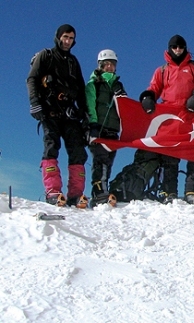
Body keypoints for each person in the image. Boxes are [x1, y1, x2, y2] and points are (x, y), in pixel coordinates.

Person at [137, 35, 194, 204]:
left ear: (185, 48)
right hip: (171, 117)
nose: (178, 50)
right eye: (175, 47)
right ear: (169, 49)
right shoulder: (162, 70)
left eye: (181, 47)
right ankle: (168, 190)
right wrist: (148, 97)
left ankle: (191, 191)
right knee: (170, 154)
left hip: (192, 114)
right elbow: (154, 88)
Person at [26, 24, 89, 208]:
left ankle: (76, 194)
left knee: (78, 150)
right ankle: (53, 191)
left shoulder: (73, 62)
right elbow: (32, 79)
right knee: (51, 147)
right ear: (58, 37)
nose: (67, 41)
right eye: (65, 37)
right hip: (49, 110)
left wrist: (85, 115)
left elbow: (81, 90)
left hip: (70, 113)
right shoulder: (45, 56)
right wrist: (35, 103)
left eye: (71, 38)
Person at [85, 49, 127, 207]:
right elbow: (90, 104)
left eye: (112, 64)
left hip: (112, 129)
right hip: (99, 128)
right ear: (100, 66)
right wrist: (93, 125)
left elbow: (125, 107)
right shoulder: (94, 83)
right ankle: (99, 192)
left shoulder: (118, 84)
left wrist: (121, 94)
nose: (109, 67)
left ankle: (103, 189)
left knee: (108, 161)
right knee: (100, 160)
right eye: (106, 64)